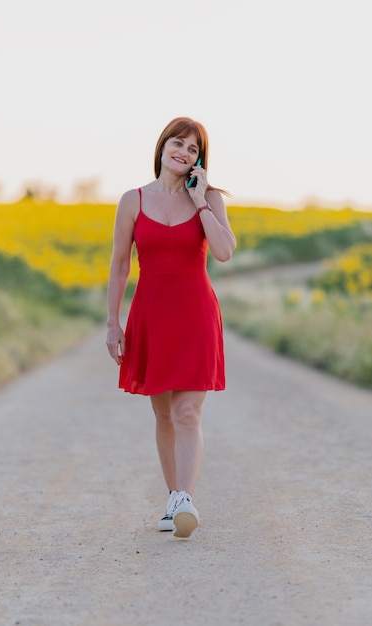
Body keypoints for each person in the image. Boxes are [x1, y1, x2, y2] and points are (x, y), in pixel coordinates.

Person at [106, 117, 236, 538]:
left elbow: (224, 252)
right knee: (162, 414)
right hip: (150, 314)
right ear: (163, 147)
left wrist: (200, 200)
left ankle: (184, 500)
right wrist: (113, 321)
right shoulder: (132, 200)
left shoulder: (210, 199)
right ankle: (174, 498)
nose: (184, 152)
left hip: (195, 312)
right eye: (178, 143)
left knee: (187, 411)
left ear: (200, 161)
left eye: (193, 149)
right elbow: (121, 264)